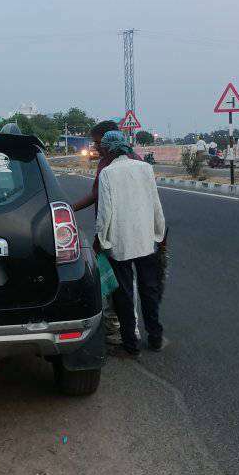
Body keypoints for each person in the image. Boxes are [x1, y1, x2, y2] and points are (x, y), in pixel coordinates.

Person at [95, 130, 166, 356]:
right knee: (149, 290)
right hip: (145, 240)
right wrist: (158, 234)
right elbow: (156, 204)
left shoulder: (108, 173)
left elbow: (105, 212)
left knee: (124, 296)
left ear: (107, 150)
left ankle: (131, 344)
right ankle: (155, 336)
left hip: (120, 242)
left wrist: (101, 240)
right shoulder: (145, 168)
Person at [73, 121, 143, 344]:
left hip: (117, 232)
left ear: (106, 140)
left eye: (96, 142)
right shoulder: (135, 161)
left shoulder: (109, 165)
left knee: (119, 283)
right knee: (120, 282)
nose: (95, 147)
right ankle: (120, 327)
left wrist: (69, 209)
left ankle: (126, 332)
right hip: (134, 231)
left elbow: (99, 199)